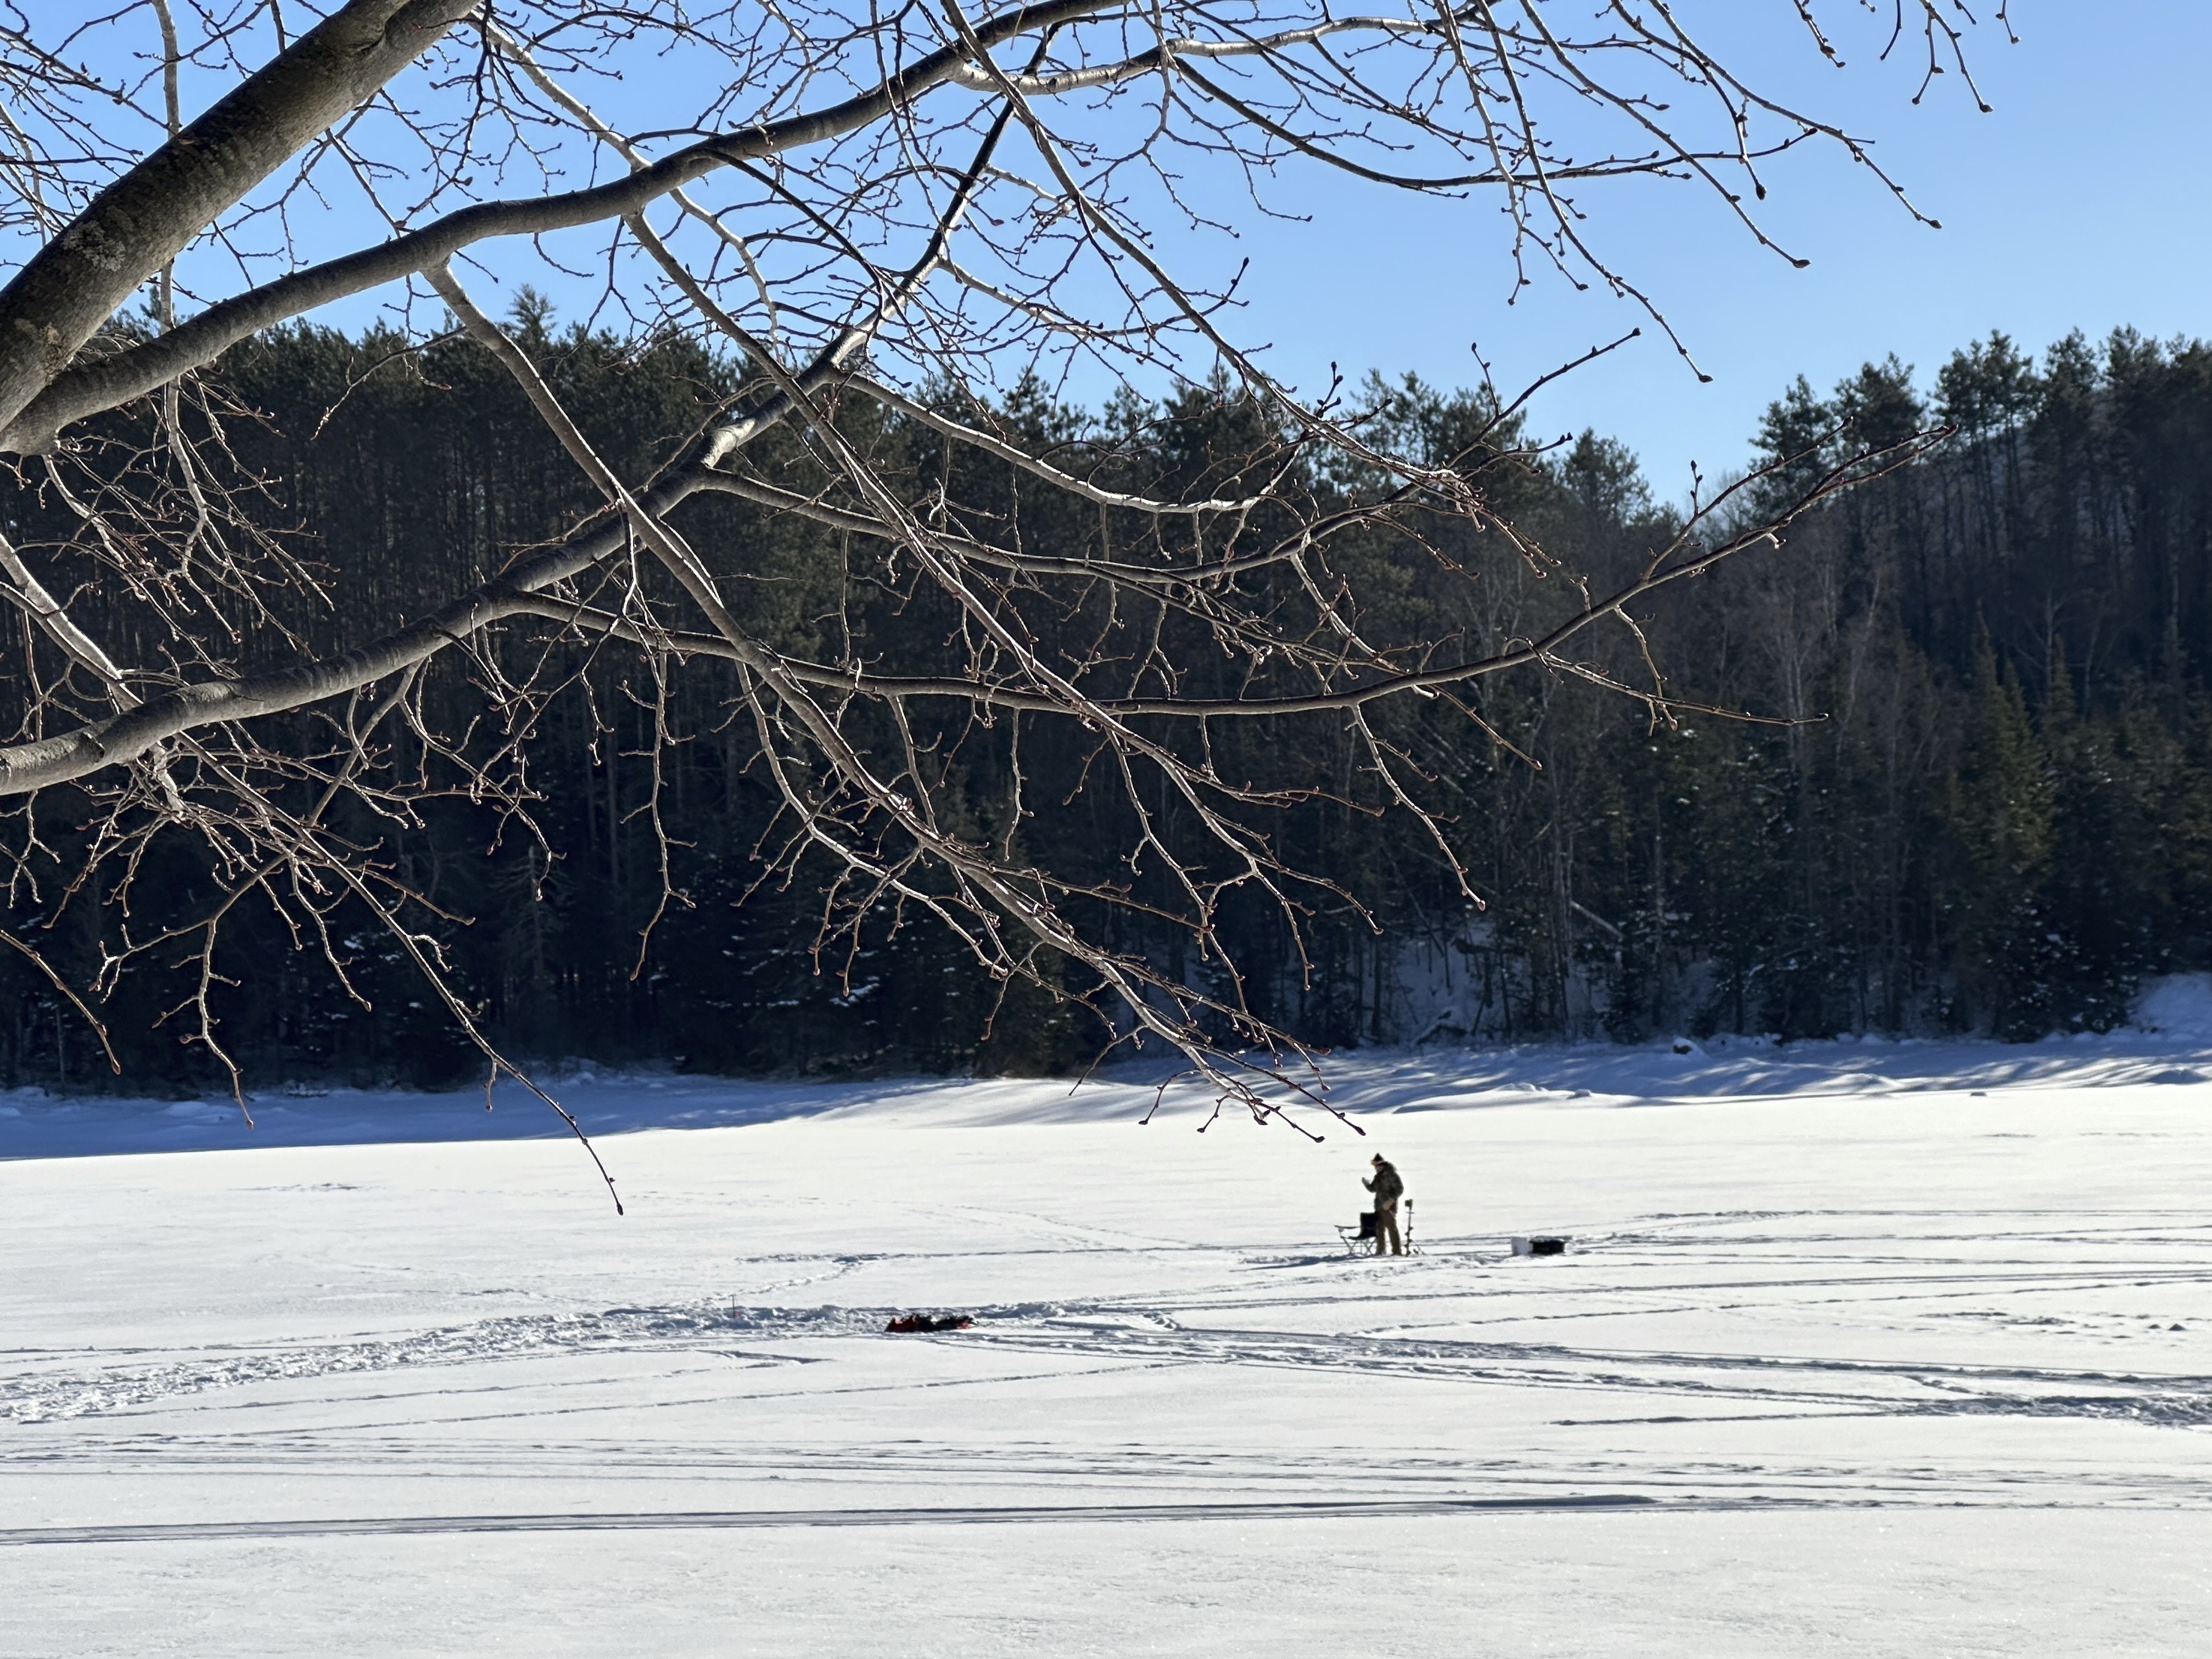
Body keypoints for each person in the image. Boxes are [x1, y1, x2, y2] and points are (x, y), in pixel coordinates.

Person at [1363, 1154, 1405, 1256]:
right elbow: (1373, 1189)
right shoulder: (1378, 1176)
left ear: (1382, 1165)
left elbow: (1400, 1190)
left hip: (1389, 1207)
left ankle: (1397, 1251)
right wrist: (1366, 1184)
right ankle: (1381, 1251)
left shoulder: (1391, 1175)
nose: (1376, 1168)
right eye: (1375, 1166)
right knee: (1379, 1229)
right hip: (1378, 1207)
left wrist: (1391, 1200)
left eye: (1377, 1166)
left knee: (1392, 1229)